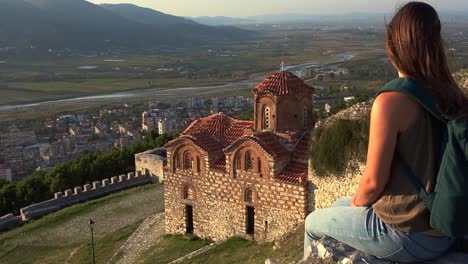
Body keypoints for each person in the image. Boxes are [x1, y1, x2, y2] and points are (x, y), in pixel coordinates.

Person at [304, 2, 468, 263]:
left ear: (394, 46)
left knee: (313, 222)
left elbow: (372, 183)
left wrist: (359, 205)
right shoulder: (451, 92)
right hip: (445, 228)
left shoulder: (391, 101)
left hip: (406, 234)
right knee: (337, 207)